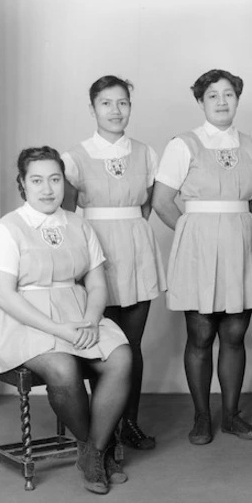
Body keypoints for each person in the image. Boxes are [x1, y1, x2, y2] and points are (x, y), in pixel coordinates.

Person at [0, 146, 133, 495]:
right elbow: (4, 295)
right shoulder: (8, 228)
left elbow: (96, 283)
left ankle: (92, 450)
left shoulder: (79, 225)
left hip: (78, 313)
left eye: (54, 179)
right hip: (24, 321)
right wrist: (58, 330)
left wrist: (92, 321)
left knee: (122, 356)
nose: (47, 188)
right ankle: (95, 450)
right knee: (63, 367)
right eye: (37, 180)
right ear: (23, 184)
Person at [152, 69, 252, 445]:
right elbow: (162, 201)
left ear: (238, 99)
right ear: (200, 102)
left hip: (239, 246)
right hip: (198, 249)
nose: (222, 101)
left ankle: (231, 415)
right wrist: (192, 231)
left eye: (229, 94)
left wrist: (236, 225)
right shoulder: (184, 144)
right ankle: (202, 416)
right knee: (200, 334)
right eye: (213, 95)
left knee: (234, 333)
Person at [62, 75, 166, 451]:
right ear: (92, 109)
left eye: (122, 103)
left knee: (132, 345)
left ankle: (130, 425)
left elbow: (148, 204)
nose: (115, 110)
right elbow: (68, 212)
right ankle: (101, 429)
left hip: (136, 251)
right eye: (106, 103)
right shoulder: (74, 157)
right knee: (99, 344)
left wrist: (130, 233)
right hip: (95, 251)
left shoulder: (145, 152)